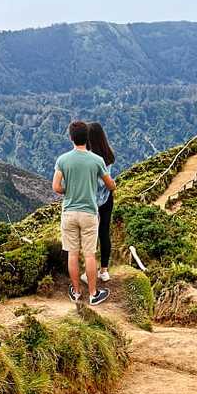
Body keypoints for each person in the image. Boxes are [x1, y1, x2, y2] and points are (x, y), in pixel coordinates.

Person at [53, 121, 116, 304]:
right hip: (89, 212)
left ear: (71, 137)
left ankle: (76, 293)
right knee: (89, 254)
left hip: (69, 212)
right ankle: (93, 294)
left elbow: (56, 187)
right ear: (86, 138)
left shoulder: (62, 160)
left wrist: (69, 190)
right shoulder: (96, 160)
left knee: (72, 254)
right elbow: (110, 184)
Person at [85, 122, 118, 284]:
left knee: (89, 235)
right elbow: (108, 182)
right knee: (104, 232)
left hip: (90, 200)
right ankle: (104, 270)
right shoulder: (108, 155)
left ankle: (88, 270)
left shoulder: (89, 159)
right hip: (106, 199)